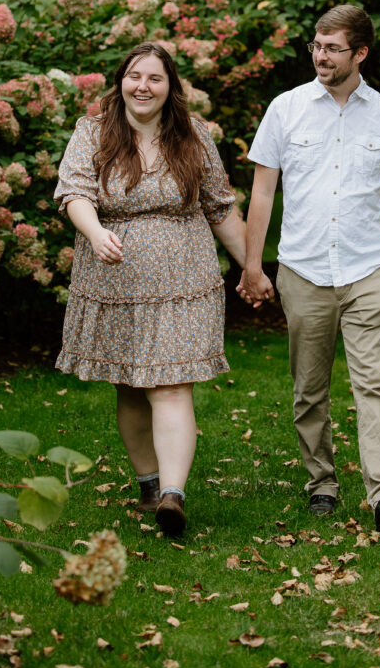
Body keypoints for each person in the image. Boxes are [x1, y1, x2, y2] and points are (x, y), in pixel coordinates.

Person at [237, 5, 380, 532]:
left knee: (374, 382)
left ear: (360, 53)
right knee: (309, 388)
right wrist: (255, 265)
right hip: (304, 270)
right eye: (316, 45)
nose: (321, 55)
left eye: (332, 48)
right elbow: (263, 190)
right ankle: (321, 481)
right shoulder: (286, 108)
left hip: (368, 269)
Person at [54, 42, 248, 536]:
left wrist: (255, 268)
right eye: (134, 76)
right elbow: (74, 192)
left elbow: (220, 206)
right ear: (121, 81)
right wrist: (96, 232)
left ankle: (172, 496)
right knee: (132, 386)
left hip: (184, 280)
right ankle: (149, 481)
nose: (143, 86)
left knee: (170, 384)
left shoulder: (193, 134)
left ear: (170, 87)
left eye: (155, 78)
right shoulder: (93, 132)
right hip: (113, 280)